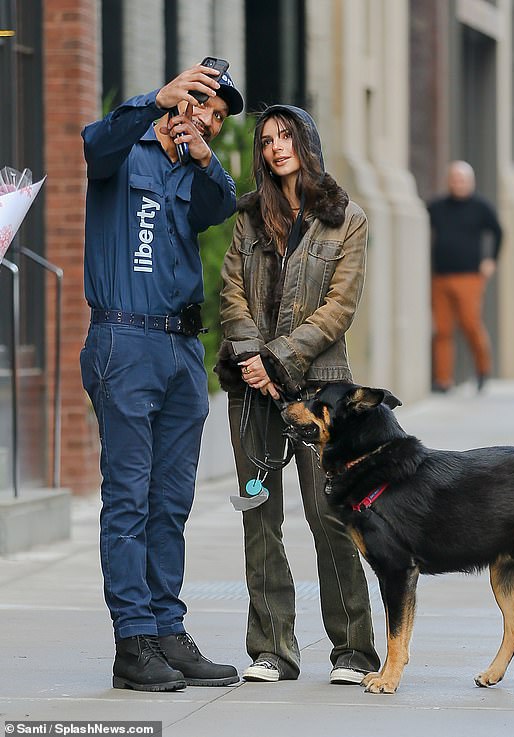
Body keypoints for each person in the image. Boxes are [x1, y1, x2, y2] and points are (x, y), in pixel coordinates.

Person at [80, 61, 245, 691]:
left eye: (220, 115)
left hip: (180, 352)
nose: (209, 116)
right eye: (202, 102)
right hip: (126, 340)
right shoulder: (126, 147)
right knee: (129, 498)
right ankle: (133, 642)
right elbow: (93, 145)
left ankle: (168, 631)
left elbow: (223, 204)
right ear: (179, 98)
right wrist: (155, 101)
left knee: (170, 501)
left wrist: (203, 157)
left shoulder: (194, 166)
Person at [215, 104, 380, 684]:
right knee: (259, 515)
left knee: (328, 512)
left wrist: (278, 360)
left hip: (319, 390)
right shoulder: (249, 219)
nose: (275, 147)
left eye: (286, 136)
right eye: (266, 141)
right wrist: (251, 359)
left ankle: (354, 650)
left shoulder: (346, 218)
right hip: (251, 389)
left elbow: (340, 307)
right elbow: (232, 291)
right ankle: (272, 649)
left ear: (306, 143)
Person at [427, 160, 502, 393]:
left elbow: (498, 231)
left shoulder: (481, 207)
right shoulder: (437, 207)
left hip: (469, 277)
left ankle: (482, 370)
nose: (458, 183)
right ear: (449, 181)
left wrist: (491, 260)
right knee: (442, 330)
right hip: (440, 277)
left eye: (462, 180)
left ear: (471, 182)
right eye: (454, 179)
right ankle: (443, 380)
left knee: (471, 325)